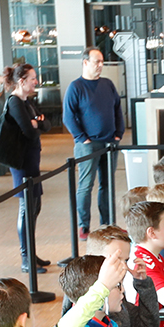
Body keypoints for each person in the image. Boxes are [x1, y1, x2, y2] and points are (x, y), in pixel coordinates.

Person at [80, 227, 164, 327]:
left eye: (126, 260)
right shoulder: (87, 298)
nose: (123, 267)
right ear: (91, 257)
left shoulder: (117, 293)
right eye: (116, 259)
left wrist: (143, 284)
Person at [65, 48, 125, 239]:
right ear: (85, 62)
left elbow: (117, 109)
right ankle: (83, 226)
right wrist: (82, 138)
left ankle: (107, 224)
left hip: (109, 143)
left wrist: (118, 134)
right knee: (86, 185)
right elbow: (68, 116)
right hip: (87, 145)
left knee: (107, 185)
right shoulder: (76, 87)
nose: (100, 66)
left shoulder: (107, 84)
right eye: (96, 62)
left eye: (102, 62)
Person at [3, 61, 50, 273]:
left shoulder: (27, 102)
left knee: (35, 207)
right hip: (22, 163)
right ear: (22, 81)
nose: (36, 81)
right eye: (33, 78)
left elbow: (45, 125)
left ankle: (32, 253)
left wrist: (37, 123)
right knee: (26, 209)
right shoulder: (15, 102)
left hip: (32, 160)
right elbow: (29, 132)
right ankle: (25, 257)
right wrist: (35, 124)